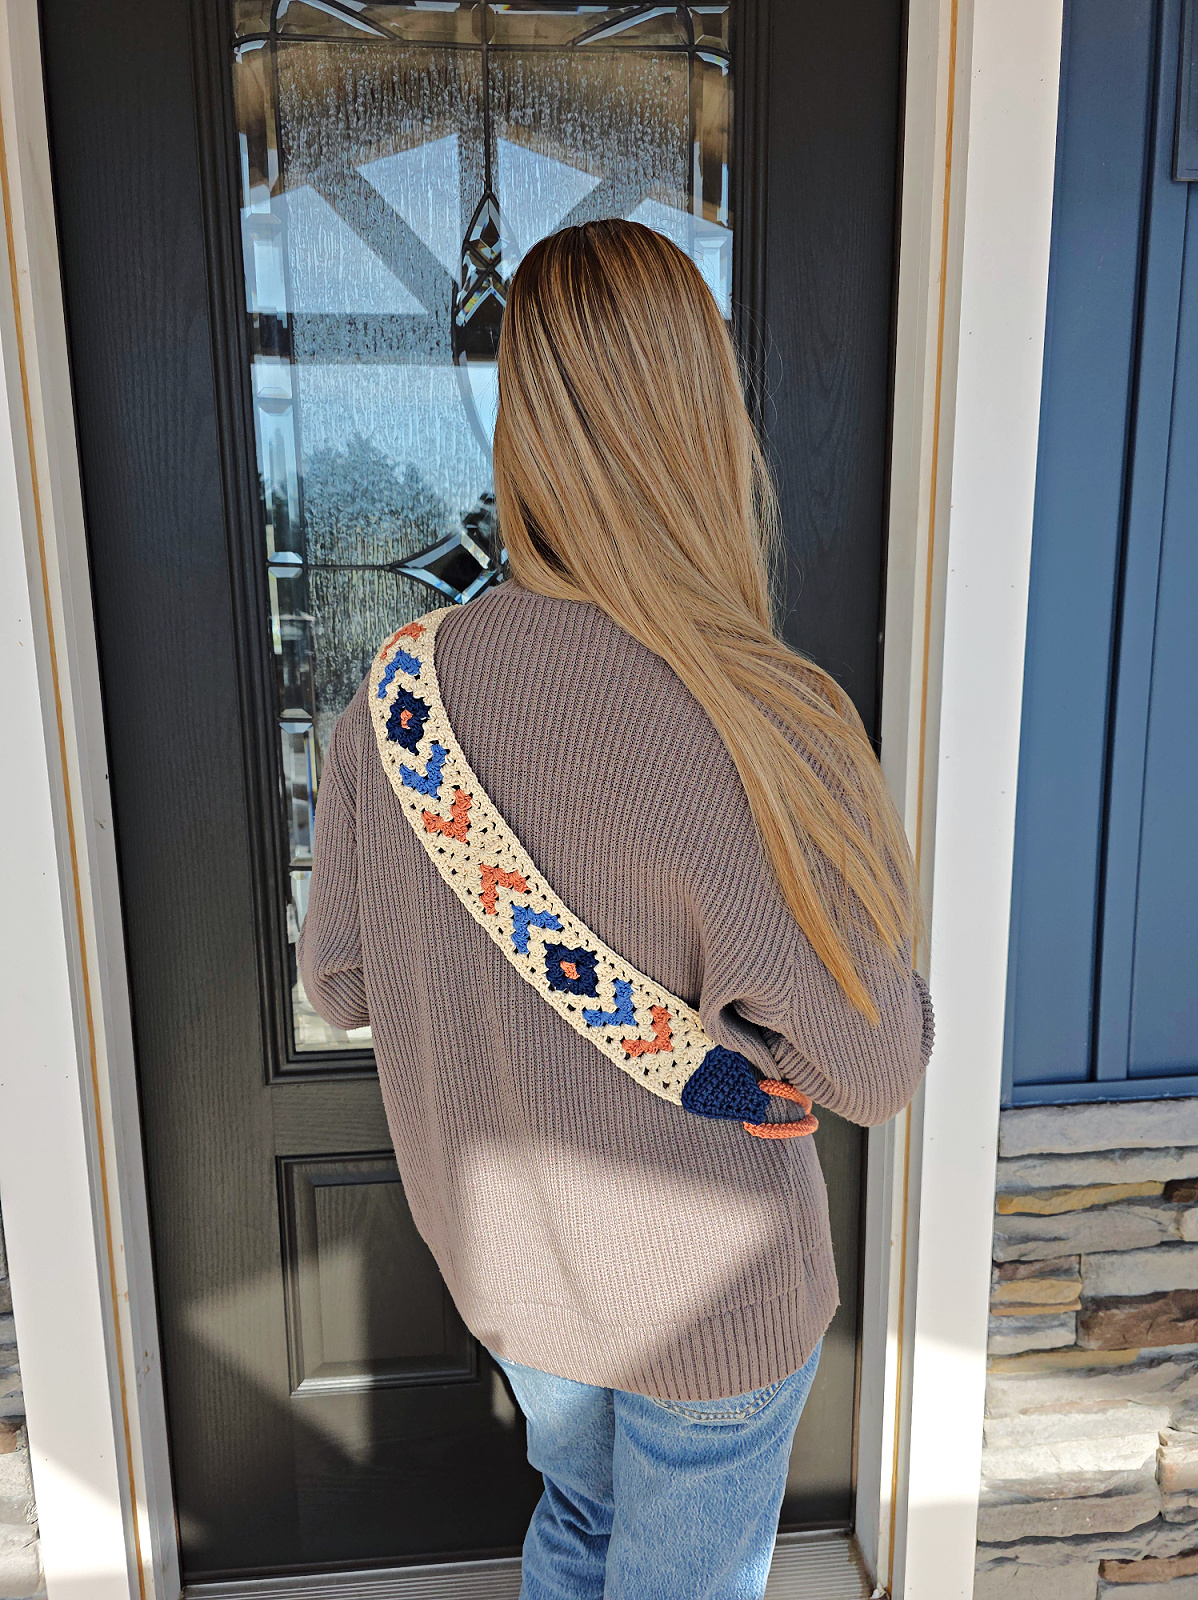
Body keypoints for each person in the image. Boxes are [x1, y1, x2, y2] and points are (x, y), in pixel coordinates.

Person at [299, 218, 933, 1600]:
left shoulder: (397, 696)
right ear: (709, 418)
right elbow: (876, 1070)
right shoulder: (771, 719)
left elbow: (337, 983)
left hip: (515, 1275)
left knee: (580, 1523)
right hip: (712, 1296)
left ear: (523, 420)